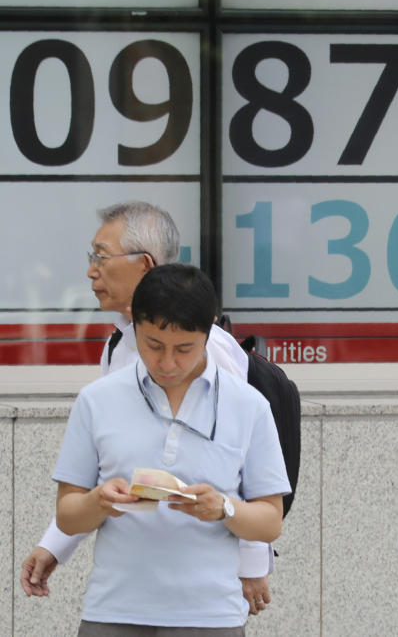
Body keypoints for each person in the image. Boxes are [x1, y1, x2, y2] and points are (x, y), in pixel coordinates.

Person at [20, 202, 275, 616]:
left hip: (202, 594)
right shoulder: (118, 346)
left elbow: (243, 466)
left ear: (145, 264)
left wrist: (252, 565)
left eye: (101, 256)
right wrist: (56, 544)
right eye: (153, 346)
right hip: (121, 597)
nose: (91, 270)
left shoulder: (211, 350)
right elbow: (100, 473)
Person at [53, 264, 291, 635]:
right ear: (136, 328)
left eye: (184, 349)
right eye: (153, 345)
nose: (167, 363)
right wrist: (98, 501)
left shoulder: (249, 406)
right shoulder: (97, 400)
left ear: (210, 330)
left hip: (212, 616)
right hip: (113, 612)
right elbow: (68, 515)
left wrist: (223, 508)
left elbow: (270, 520)